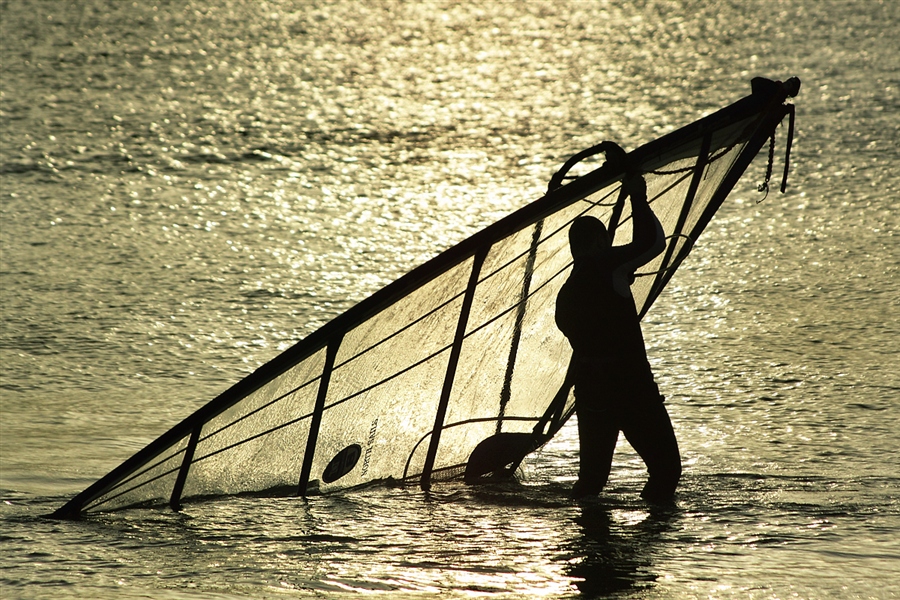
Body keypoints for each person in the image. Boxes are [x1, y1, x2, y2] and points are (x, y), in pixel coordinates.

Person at [555, 161, 681, 503]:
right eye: (606, 243)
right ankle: (649, 541)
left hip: (593, 390)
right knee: (666, 471)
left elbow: (594, 322)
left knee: (592, 482)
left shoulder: (568, 291)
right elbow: (653, 242)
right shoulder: (605, 265)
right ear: (598, 243)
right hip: (630, 387)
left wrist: (619, 282)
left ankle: (593, 547)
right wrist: (638, 197)